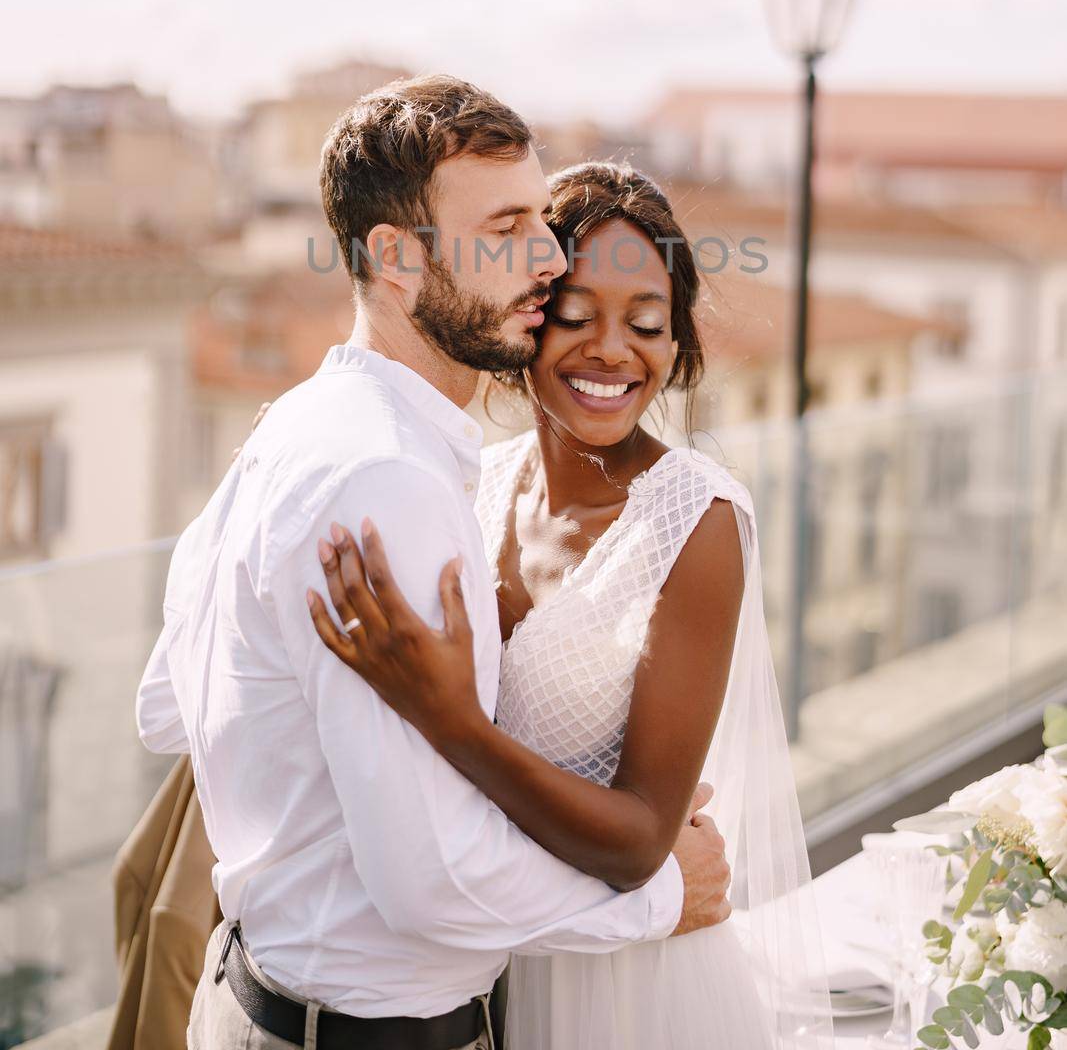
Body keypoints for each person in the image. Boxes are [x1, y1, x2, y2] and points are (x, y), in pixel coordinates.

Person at [135, 76, 733, 1050]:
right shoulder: (389, 481)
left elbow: (165, 703)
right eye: (504, 231)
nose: (544, 258)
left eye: (540, 219)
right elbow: (425, 884)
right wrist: (662, 899)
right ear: (396, 260)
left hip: (255, 999)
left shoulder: (294, 428)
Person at [307, 160, 836, 1049]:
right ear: (526, 317)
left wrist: (451, 722)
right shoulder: (473, 485)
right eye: (575, 316)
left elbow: (638, 842)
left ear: (677, 347)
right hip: (482, 963)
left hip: (633, 987)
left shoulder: (696, 523)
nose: (610, 352)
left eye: (645, 325)